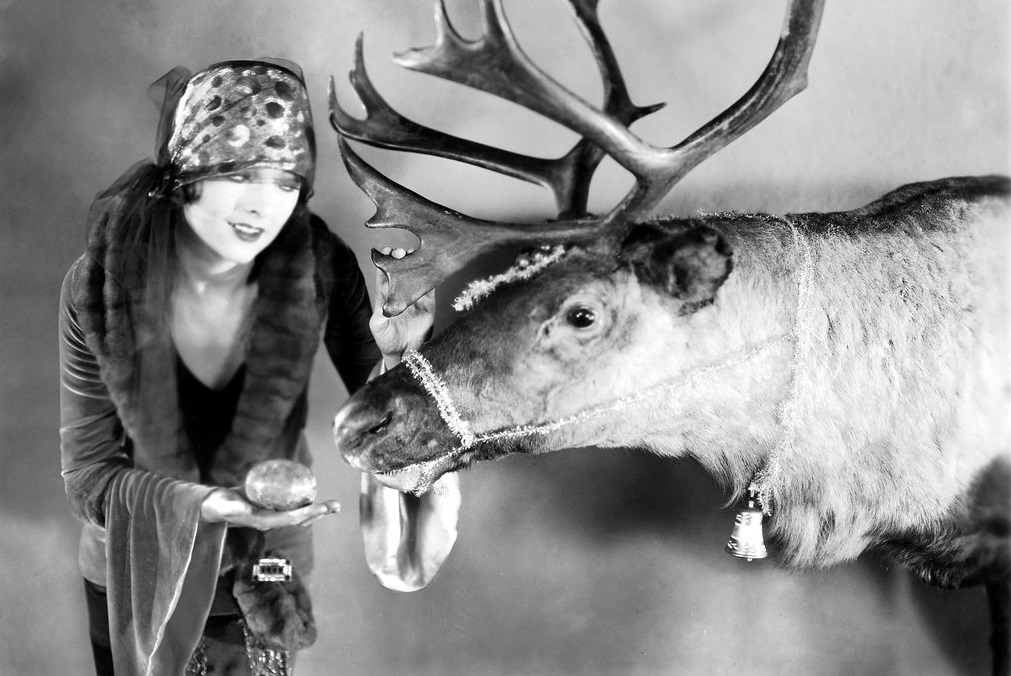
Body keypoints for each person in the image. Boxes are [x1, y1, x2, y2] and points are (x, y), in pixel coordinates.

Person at [58, 58, 460, 676]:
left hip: (264, 576)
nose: (261, 205)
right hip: (137, 573)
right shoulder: (101, 285)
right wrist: (206, 506)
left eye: (284, 181)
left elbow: (392, 436)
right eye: (238, 174)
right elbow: (88, 477)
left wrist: (401, 356)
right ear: (186, 178)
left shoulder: (318, 264)